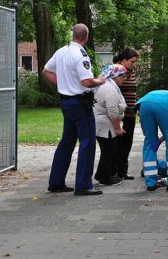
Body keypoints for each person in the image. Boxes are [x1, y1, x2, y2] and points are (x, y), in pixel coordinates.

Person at [43, 23, 106, 196]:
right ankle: (84, 185)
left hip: (66, 102)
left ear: (73, 35)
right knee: (87, 142)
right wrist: (100, 80)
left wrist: (63, 84)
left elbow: (46, 71)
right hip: (80, 103)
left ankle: (56, 182)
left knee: (67, 142)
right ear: (86, 37)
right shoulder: (80, 55)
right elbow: (86, 82)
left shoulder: (61, 51)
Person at [93, 64, 128, 185]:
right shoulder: (110, 89)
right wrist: (118, 128)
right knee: (108, 151)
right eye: (124, 76)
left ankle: (100, 174)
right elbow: (112, 111)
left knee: (107, 150)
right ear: (116, 76)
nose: (125, 79)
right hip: (106, 126)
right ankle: (104, 177)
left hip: (101, 124)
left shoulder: (104, 85)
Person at [111, 49, 139, 180]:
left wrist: (137, 104)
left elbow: (133, 92)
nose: (134, 64)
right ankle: (114, 171)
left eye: (135, 62)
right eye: (132, 61)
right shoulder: (116, 72)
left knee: (127, 143)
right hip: (119, 115)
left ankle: (122, 171)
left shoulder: (132, 73)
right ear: (123, 60)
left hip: (130, 114)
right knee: (117, 143)